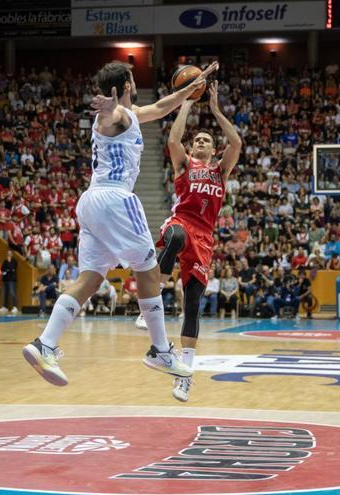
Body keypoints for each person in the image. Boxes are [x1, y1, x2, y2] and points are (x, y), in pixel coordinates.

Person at [22, 60, 218, 386]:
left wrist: (190, 91)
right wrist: (106, 111)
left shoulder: (135, 114)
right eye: (132, 80)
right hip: (115, 199)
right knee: (150, 271)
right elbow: (109, 119)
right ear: (126, 85)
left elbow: (161, 106)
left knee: (90, 278)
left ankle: (45, 343)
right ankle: (159, 350)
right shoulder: (119, 116)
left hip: (90, 203)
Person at [135, 80, 241, 402]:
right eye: (197, 140)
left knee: (193, 305)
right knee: (176, 236)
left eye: (206, 140)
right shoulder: (184, 165)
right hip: (182, 223)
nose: (200, 143)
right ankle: (149, 307)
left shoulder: (220, 172)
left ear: (213, 150)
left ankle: (185, 377)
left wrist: (215, 110)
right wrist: (186, 102)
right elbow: (172, 139)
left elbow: (235, 142)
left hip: (205, 238)